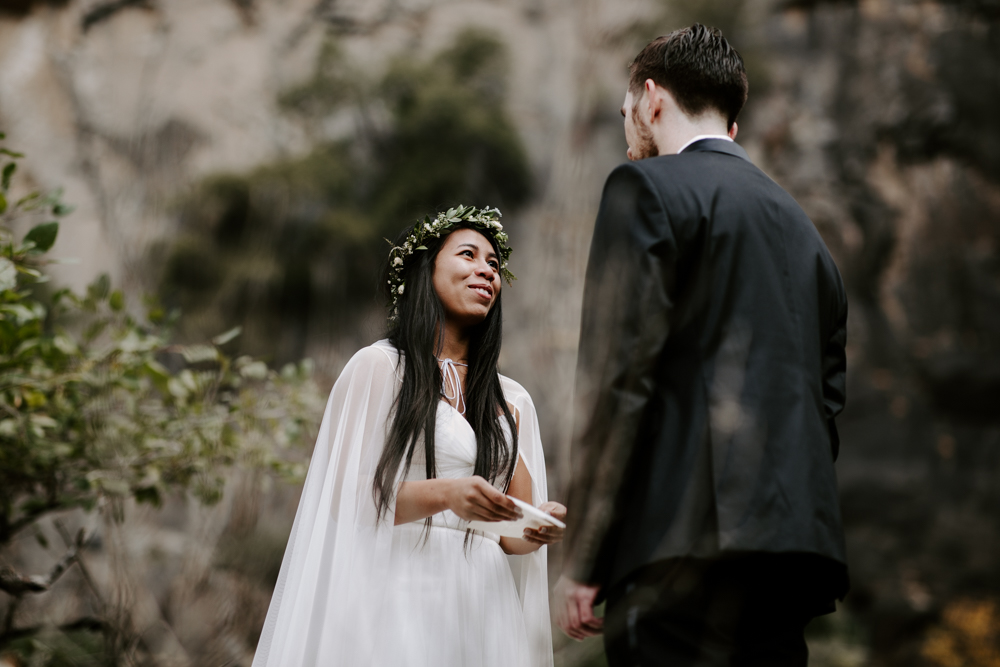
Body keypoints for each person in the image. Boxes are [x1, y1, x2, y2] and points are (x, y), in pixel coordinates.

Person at [554, 25, 850, 666]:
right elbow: (826, 408)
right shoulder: (808, 236)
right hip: (792, 557)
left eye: (627, 110)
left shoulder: (645, 190)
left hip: (675, 550)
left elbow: (618, 380)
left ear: (652, 99)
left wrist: (586, 555)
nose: (628, 127)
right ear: (733, 128)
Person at [252, 205, 564, 667]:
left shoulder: (511, 400)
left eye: (494, 264)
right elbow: (345, 497)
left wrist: (535, 525)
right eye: (468, 255)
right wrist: (446, 493)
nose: (486, 270)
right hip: (401, 587)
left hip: (485, 603)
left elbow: (509, 537)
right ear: (426, 270)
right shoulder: (381, 368)